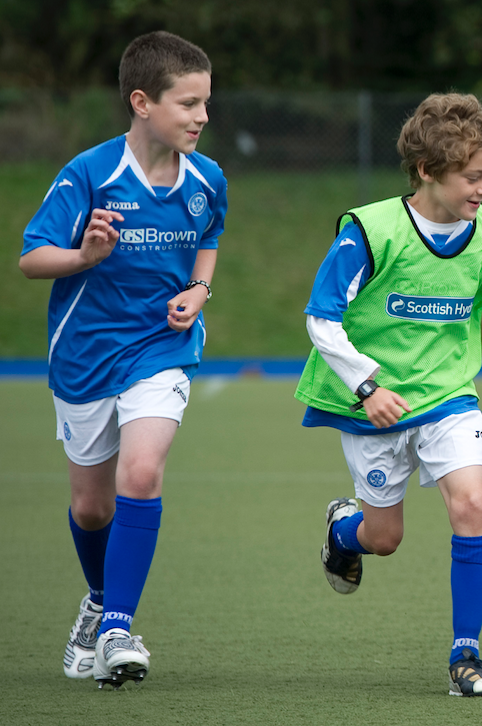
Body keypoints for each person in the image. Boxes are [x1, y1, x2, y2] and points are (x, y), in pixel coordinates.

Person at [298, 93, 482, 697]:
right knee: (383, 539)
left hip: (447, 398)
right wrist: (367, 385)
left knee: (472, 504)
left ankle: (466, 656)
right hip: (374, 405)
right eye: (473, 176)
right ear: (426, 170)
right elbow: (321, 319)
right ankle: (345, 532)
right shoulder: (370, 232)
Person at [19, 31, 224, 689]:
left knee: (142, 468)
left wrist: (198, 289)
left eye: (205, 103)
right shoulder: (90, 174)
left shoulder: (207, 179)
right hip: (83, 356)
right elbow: (31, 258)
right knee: (90, 509)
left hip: (161, 350)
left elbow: (210, 237)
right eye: (187, 103)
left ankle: (117, 629)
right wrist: (84, 257)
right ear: (142, 101)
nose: (201, 117)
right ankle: (100, 600)